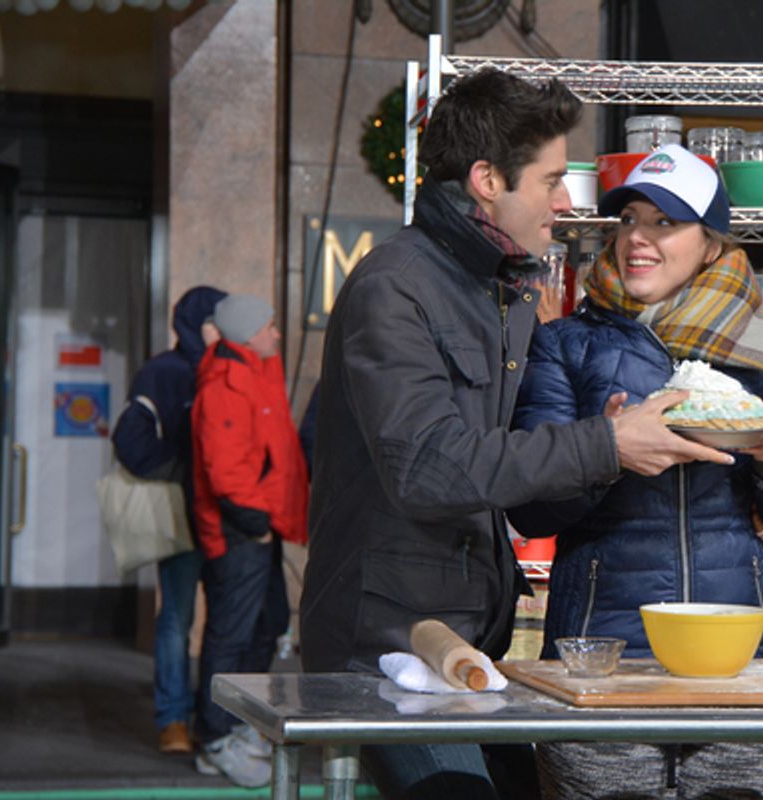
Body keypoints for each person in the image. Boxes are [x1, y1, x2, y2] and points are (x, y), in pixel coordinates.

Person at [299, 69, 733, 800]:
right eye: (552, 180)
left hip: (471, 641)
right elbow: (426, 466)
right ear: (487, 180)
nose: (567, 202)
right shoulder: (394, 287)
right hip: (384, 641)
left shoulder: (499, 290)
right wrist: (607, 443)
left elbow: (498, 467)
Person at [506, 144, 763, 799]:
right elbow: (530, 509)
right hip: (601, 658)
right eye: (630, 220)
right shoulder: (566, 343)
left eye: (665, 223)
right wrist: (607, 451)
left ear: (711, 244)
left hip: (735, 656)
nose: (639, 240)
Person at [191, 293, 309, 787]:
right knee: (230, 635)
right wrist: (256, 521)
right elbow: (227, 470)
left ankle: (241, 723)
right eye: (269, 326)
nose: (276, 334)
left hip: (261, 527)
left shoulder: (255, 369)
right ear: (247, 333)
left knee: (268, 624)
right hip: (242, 532)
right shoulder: (226, 381)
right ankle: (215, 739)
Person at [111, 285, 225, 755]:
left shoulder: (231, 369)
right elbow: (130, 441)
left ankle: (213, 720)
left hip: (224, 520)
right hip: (182, 518)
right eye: (215, 321)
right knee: (176, 620)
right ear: (197, 324)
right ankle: (173, 719)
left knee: (224, 625)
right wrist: (185, 471)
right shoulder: (164, 373)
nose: (222, 329)